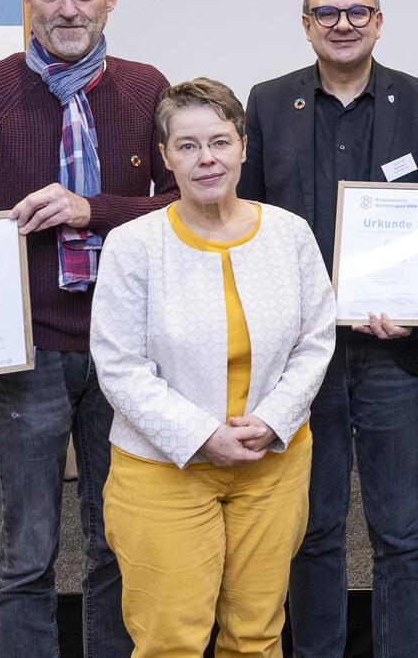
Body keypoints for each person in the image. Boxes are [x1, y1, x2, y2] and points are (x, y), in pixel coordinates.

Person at [0, 0, 175, 657]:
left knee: (117, 545)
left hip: (125, 352)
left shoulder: (146, 87)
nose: (67, 8)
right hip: (26, 355)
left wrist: (89, 208)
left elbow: (183, 207)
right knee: (24, 554)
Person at [237, 0, 418, 657]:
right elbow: (248, 219)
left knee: (400, 529)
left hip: (391, 351)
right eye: (326, 12)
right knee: (316, 524)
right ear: (306, 25)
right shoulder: (269, 104)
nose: (343, 23)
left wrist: (416, 305)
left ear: (379, 21)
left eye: (357, 11)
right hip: (302, 355)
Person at [90, 77, 336, 656]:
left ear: (244, 147)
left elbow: (316, 340)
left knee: (256, 636)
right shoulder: (134, 244)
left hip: (271, 461)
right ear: (165, 156)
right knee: (171, 640)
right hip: (162, 469)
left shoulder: (289, 234)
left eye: (220, 142)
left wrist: (273, 421)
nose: (207, 159)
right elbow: (120, 366)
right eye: (188, 145)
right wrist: (203, 437)